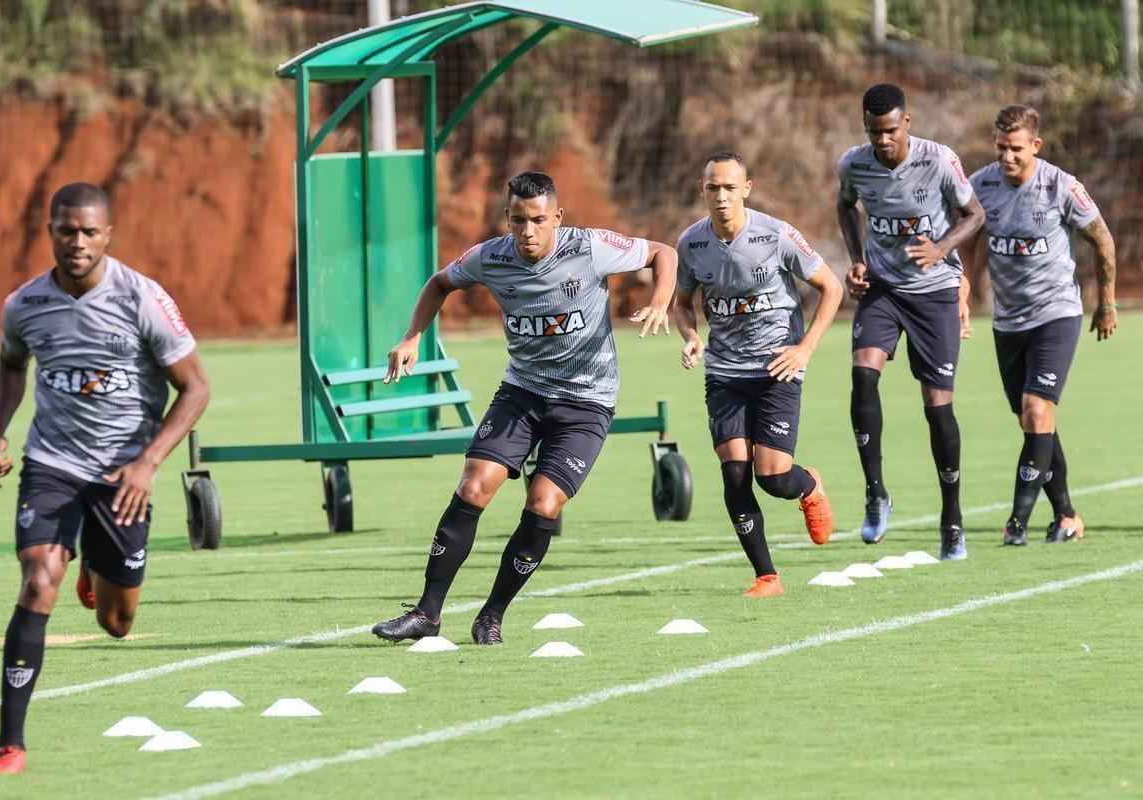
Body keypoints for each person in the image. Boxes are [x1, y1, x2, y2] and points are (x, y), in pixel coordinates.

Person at [371, 171, 676, 644]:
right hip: (523, 392)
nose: (528, 232)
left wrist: (660, 299)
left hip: (586, 402)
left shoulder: (590, 247)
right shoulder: (491, 257)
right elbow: (438, 283)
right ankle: (427, 613)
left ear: (558, 218)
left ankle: (492, 614)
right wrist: (412, 336)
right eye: (517, 221)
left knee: (544, 502)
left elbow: (663, 253)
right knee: (474, 486)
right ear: (507, 219)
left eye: (537, 220)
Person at [0, 183, 210, 774]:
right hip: (52, 465)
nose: (76, 242)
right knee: (37, 581)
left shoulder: (142, 299)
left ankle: (97, 569)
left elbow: (196, 388)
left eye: (88, 232)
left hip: (123, 476)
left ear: (108, 235)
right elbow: (10, 365)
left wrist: (148, 463)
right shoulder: (25, 305)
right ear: (50, 231)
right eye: (65, 230)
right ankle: (10, 742)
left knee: (117, 622)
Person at [673, 152, 843, 597]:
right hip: (725, 371)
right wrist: (691, 336)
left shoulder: (777, 235)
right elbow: (682, 302)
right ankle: (767, 576)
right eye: (714, 188)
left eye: (730, 187)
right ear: (702, 190)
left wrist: (805, 348)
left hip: (776, 369)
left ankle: (808, 485)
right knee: (733, 472)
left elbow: (832, 287)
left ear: (747, 188)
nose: (722, 196)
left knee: (771, 477)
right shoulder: (691, 244)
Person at [837, 83, 986, 560]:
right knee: (862, 376)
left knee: (937, 406)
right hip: (883, 288)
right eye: (873, 132)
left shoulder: (939, 160)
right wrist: (857, 258)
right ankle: (876, 493)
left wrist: (941, 249)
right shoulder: (853, 164)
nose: (881, 141)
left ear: (907, 123)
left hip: (936, 292)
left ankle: (953, 519)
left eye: (889, 131)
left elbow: (975, 213)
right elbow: (845, 205)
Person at [964, 105, 1117, 546]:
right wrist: (965, 289)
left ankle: (1017, 522)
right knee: (1035, 421)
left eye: (1016, 149)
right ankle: (1067, 515)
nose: (1007, 157)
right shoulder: (982, 186)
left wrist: (1105, 304)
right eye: (1000, 148)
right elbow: (969, 237)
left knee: (1036, 410)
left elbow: (1103, 241)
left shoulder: (1061, 186)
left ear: (1036, 146)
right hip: (1008, 321)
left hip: (1057, 313)